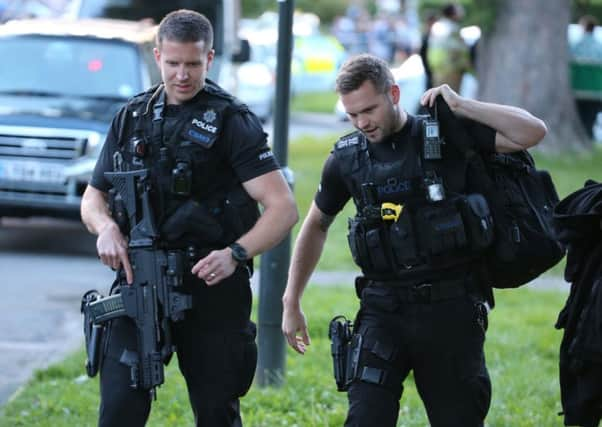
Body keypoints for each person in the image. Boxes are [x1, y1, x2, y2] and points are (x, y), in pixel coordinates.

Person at [281, 53, 546, 427]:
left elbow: (532, 132)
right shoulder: (347, 158)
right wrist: (291, 299)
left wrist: (461, 104)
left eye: (368, 110)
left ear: (393, 92)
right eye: (352, 114)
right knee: (365, 418)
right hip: (382, 311)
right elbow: (316, 224)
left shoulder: (445, 135)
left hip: (451, 309)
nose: (361, 123)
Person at [80, 9, 298, 427]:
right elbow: (94, 196)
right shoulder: (132, 117)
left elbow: (282, 207)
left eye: (193, 64)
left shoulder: (232, 121)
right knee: (118, 412)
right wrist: (106, 228)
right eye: (173, 63)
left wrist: (235, 253)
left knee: (216, 413)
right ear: (158, 55)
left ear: (210, 58)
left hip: (209, 287)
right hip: (136, 281)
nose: (182, 74)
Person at [426, 2, 471, 92]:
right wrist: (465, 63)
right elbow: (456, 49)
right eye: (458, 10)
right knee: (452, 98)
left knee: (442, 97)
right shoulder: (452, 28)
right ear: (453, 13)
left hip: (438, 70)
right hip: (451, 69)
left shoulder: (438, 26)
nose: (461, 12)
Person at [570, 15, 602, 139]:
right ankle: (589, 138)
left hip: (579, 89)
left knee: (582, 118)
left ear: (583, 27)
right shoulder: (599, 46)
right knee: (591, 118)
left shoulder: (576, 45)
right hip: (596, 91)